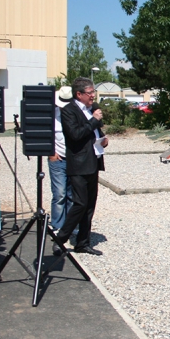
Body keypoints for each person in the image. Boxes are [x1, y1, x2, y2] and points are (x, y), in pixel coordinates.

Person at [56, 77, 108, 256]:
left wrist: (102, 138)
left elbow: (94, 131)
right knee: (79, 203)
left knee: (90, 205)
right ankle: (61, 238)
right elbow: (75, 135)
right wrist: (93, 121)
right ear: (79, 94)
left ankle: (82, 243)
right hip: (78, 164)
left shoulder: (91, 109)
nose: (93, 96)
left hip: (93, 161)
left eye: (93, 92)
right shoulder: (68, 111)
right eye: (90, 92)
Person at [49, 86, 74, 232]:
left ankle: (70, 226)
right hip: (57, 157)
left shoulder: (74, 114)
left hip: (72, 158)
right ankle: (58, 225)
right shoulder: (53, 115)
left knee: (72, 195)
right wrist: (51, 152)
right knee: (59, 193)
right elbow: (46, 134)